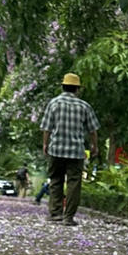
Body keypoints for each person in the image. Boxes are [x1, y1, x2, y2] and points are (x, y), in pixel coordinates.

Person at [37, 71, 100, 226]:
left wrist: (45, 144)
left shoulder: (53, 103)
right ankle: (68, 217)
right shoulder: (84, 106)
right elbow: (93, 130)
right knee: (74, 183)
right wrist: (94, 146)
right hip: (76, 151)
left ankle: (55, 214)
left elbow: (46, 128)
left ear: (63, 87)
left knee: (56, 180)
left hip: (56, 149)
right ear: (77, 89)